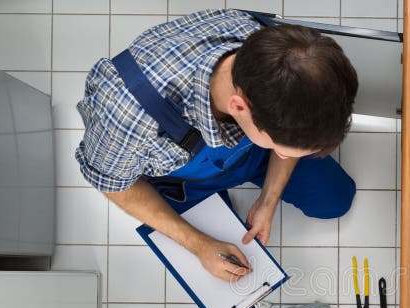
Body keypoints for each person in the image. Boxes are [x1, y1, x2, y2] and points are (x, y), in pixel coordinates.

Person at [75, 9, 359, 281]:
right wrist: (199, 245)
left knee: (334, 199)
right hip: (182, 179)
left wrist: (268, 200)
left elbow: (289, 128)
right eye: (282, 148)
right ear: (238, 106)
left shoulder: (283, 52)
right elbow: (116, 186)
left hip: (250, 150)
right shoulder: (128, 112)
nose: (283, 156)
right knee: (231, 284)